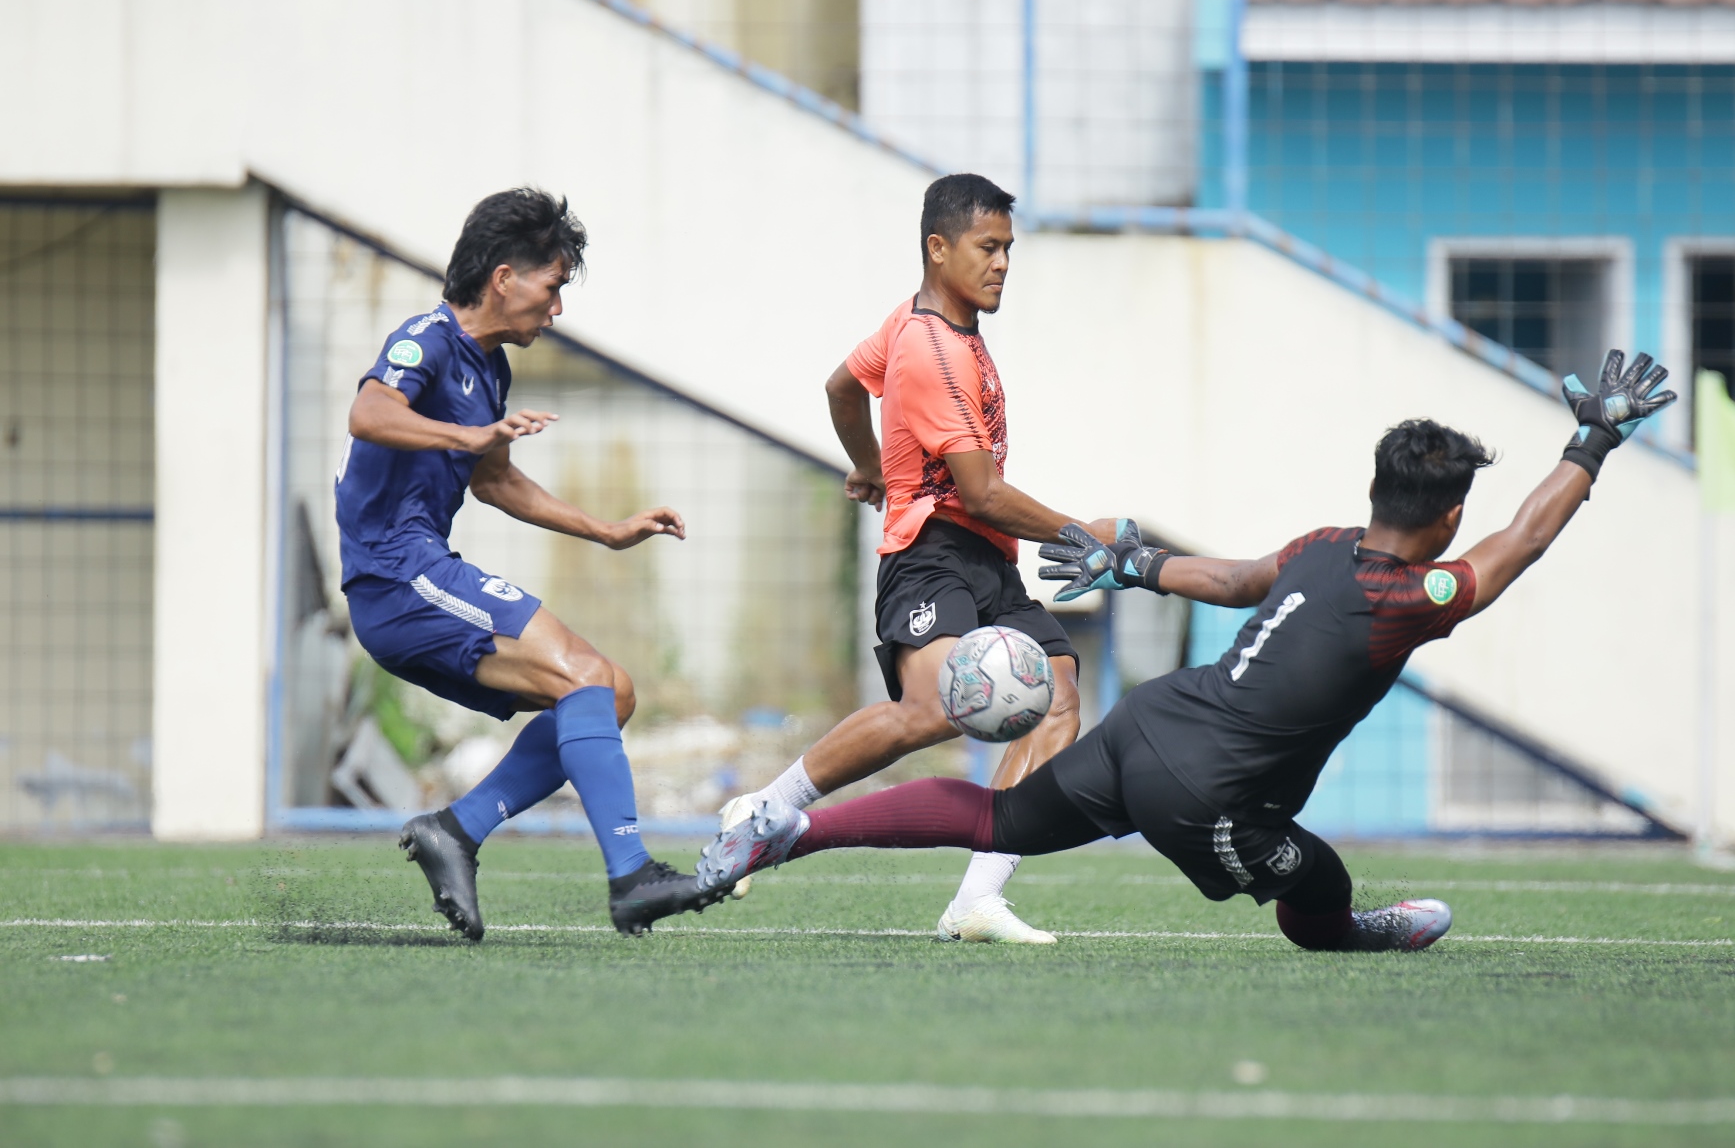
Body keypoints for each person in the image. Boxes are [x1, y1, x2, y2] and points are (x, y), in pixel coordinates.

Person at [693, 352, 1676, 952]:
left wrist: (1132, 561)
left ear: (1375, 490)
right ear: (1450, 513)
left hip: (1148, 722)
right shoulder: (1414, 596)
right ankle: (1347, 931)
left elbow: (1238, 577)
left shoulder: (1321, 548)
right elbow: (1523, 542)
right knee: (1320, 887)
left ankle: (786, 828)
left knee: (999, 816)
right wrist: (1590, 441)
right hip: (1206, 795)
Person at [716, 173, 1130, 944]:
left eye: (1008, 248)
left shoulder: (923, 324)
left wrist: (869, 462)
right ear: (937, 249)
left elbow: (842, 386)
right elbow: (981, 492)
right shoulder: (931, 351)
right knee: (931, 708)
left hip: (985, 559)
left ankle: (976, 898)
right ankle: (764, 809)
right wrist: (1084, 536)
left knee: (1060, 696)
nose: (1002, 263)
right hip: (931, 552)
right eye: (987, 247)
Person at [334, 187, 720, 939]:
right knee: (582, 674)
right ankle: (632, 876)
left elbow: (497, 479)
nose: (558, 308)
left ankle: (457, 829)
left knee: (610, 691)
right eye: (553, 286)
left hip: (421, 573)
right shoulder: (427, 338)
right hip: (395, 575)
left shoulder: (491, 370)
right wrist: (463, 435)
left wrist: (605, 530)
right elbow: (369, 412)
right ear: (504, 276)